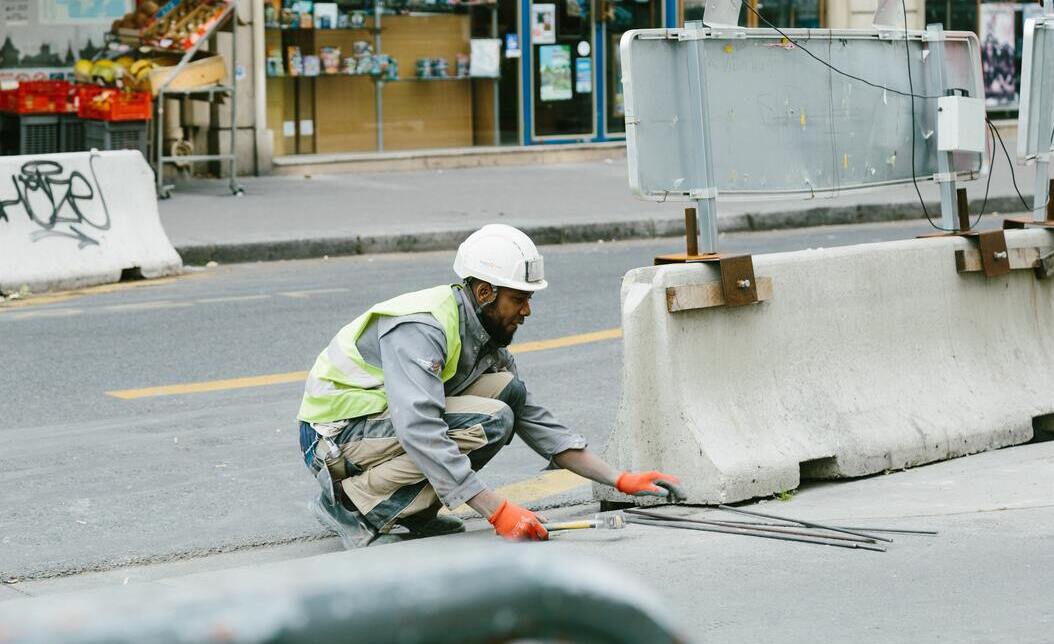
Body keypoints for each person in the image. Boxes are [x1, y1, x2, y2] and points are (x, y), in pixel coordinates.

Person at [297, 224, 683, 548]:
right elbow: (420, 429)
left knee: (507, 393)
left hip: (375, 428)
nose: (527, 311)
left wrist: (618, 478)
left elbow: (534, 418)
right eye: (519, 299)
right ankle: (352, 506)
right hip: (334, 438)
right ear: (485, 293)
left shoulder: (483, 334)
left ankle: (413, 512)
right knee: (492, 420)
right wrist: (495, 510)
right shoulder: (423, 327)